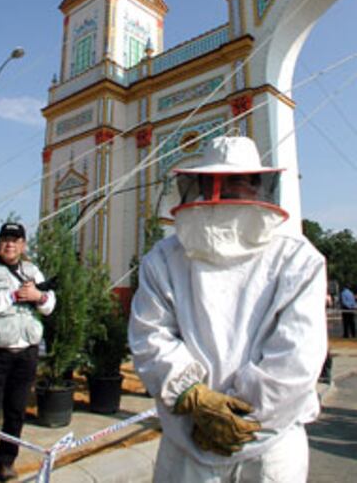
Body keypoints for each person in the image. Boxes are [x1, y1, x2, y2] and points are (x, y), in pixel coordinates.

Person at [129, 136, 328, 483]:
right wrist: (193, 396)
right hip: (192, 435)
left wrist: (214, 410)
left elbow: (296, 358)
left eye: (238, 181)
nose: (230, 190)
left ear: (257, 185)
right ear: (204, 185)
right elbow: (151, 335)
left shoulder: (297, 258)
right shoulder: (163, 258)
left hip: (265, 445)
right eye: (223, 181)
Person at [0, 222, 56, 483]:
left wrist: (38, 296)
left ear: (23, 245)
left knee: (16, 410)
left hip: (26, 352)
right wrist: (16, 295)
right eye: (6, 239)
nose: (10, 244)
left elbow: (50, 304)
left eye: (15, 240)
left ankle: (6, 462)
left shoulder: (32, 270)